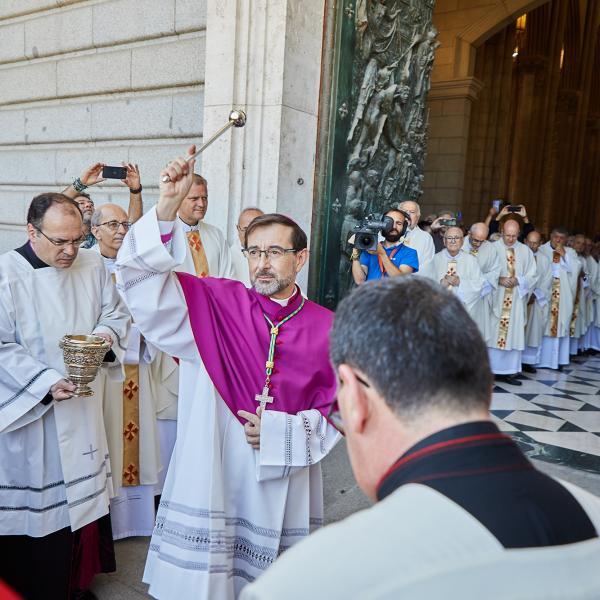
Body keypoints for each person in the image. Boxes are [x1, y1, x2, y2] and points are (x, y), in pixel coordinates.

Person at [239, 278, 600, 600]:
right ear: (486, 389)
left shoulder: (314, 579)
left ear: (356, 400)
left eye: (339, 413)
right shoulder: (592, 514)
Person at [115, 150, 341, 599]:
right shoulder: (218, 303)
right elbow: (140, 282)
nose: (262, 262)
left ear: (301, 258)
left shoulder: (327, 326)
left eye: (275, 252)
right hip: (213, 464)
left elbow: (339, 410)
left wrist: (280, 431)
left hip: (283, 472)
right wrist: (164, 208)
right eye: (254, 251)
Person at [0, 193, 130, 600]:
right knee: (39, 518)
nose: (71, 250)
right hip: (33, 416)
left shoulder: (92, 264)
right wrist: (44, 382)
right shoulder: (7, 274)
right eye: (59, 241)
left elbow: (115, 313)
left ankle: (74, 585)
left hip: (84, 407)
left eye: (78, 238)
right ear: (31, 231)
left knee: (81, 504)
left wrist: (100, 342)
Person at [91, 203, 171, 541]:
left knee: (138, 441)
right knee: (105, 438)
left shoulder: (136, 267)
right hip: (103, 375)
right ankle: (104, 521)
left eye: (125, 223)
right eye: (113, 224)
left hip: (137, 367)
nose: (122, 230)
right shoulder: (84, 267)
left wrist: (143, 332)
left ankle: (136, 520)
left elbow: (155, 311)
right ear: (94, 230)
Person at [486, 219, 536, 386]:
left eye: (514, 236)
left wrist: (519, 280)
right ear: (501, 232)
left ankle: (508, 372)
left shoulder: (525, 251)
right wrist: (498, 279)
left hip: (515, 300)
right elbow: (481, 271)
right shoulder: (491, 248)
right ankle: (490, 370)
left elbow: (533, 275)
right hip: (496, 298)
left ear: (519, 234)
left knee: (512, 333)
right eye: (507, 235)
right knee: (493, 332)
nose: (511, 239)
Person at [64, 162, 144, 249]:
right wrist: (81, 183)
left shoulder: (103, 233)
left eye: (91, 204)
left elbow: (132, 224)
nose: (88, 205)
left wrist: (135, 190)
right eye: (81, 203)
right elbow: (56, 203)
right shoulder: (63, 234)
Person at [175, 173, 234, 279]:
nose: (202, 204)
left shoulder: (216, 235)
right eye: (194, 198)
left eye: (204, 198)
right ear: (179, 200)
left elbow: (228, 276)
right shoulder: (167, 236)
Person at [419, 227, 485, 322]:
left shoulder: (471, 261)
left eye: (457, 238)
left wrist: (460, 283)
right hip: (438, 310)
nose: (453, 241)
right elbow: (424, 284)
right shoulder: (434, 260)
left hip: (462, 312)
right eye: (449, 238)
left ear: (462, 241)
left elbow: (480, 285)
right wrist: (439, 284)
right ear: (444, 241)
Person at [537, 226, 580, 370]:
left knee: (559, 325)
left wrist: (565, 257)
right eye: (556, 237)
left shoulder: (571, 252)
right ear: (551, 236)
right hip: (546, 293)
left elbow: (577, 269)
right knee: (542, 324)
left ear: (566, 239)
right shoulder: (542, 250)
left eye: (562, 238)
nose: (558, 240)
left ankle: (556, 361)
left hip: (562, 296)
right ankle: (539, 360)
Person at [351, 208, 418, 283]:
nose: (394, 227)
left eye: (398, 223)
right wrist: (355, 249)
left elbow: (401, 281)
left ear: (404, 228)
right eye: (389, 222)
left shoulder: (410, 253)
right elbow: (360, 281)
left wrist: (382, 254)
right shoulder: (371, 247)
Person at [463, 223, 500, 345]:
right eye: (475, 240)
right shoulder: (459, 244)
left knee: (476, 331)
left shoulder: (490, 249)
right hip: (461, 295)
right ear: (469, 234)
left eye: (481, 241)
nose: (478, 244)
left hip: (480, 297)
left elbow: (495, 271)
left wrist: (480, 281)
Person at [522, 231, 552, 373]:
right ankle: (514, 363)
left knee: (531, 332)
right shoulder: (518, 254)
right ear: (525, 240)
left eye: (535, 243)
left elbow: (546, 281)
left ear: (540, 244)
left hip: (534, 301)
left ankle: (527, 361)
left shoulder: (545, 260)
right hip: (518, 300)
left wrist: (535, 295)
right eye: (530, 242)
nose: (532, 245)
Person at [231, 207, 264, 286]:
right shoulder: (228, 257)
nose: (250, 234)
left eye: (255, 229)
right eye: (246, 229)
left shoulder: (275, 254)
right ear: (238, 228)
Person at [397, 200, 434, 267]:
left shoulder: (425, 238)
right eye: (404, 212)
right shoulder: (385, 234)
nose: (407, 214)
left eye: (412, 212)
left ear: (418, 217)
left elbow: (427, 265)